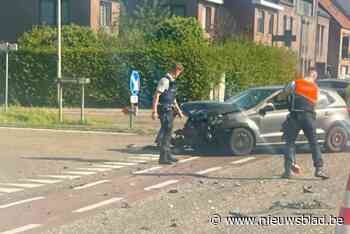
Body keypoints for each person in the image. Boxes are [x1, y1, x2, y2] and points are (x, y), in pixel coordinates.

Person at [278, 67, 329, 179]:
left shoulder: (295, 83)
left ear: (306, 74)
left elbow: (283, 94)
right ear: (314, 76)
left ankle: (288, 171)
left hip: (295, 116)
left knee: (290, 142)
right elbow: (314, 103)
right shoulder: (315, 88)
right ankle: (319, 169)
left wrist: (286, 99)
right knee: (314, 143)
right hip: (309, 117)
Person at [152, 63, 184, 164]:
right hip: (164, 109)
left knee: (169, 132)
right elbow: (156, 95)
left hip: (170, 109)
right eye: (179, 72)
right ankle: (163, 158)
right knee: (166, 132)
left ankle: (168, 155)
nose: (179, 74)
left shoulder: (172, 82)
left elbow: (172, 98)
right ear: (176, 70)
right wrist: (154, 111)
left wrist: (178, 111)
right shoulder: (164, 80)